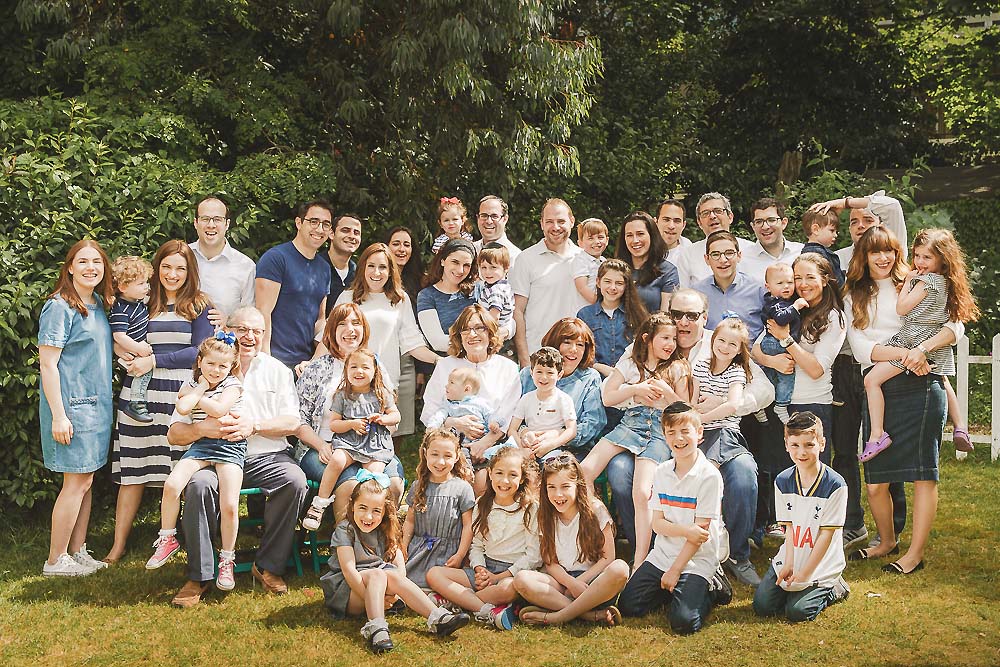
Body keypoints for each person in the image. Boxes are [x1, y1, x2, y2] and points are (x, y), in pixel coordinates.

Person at [604, 289, 773, 584]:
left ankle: (734, 554)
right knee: (620, 473)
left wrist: (722, 405)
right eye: (676, 315)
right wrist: (638, 395)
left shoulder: (719, 342)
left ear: (704, 318)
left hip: (712, 431)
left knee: (743, 473)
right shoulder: (648, 342)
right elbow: (616, 389)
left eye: (691, 316)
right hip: (653, 434)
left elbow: (765, 389)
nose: (682, 322)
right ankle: (648, 551)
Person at [169, 307, 306, 607]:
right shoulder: (205, 372)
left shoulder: (277, 371)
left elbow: (292, 422)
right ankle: (200, 575)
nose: (250, 337)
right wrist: (202, 428)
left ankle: (268, 565)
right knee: (199, 486)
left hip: (264, 457)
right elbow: (174, 433)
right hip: (212, 456)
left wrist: (254, 425)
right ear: (227, 331)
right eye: (243, 329)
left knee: (294, 480)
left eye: (257, 331)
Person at [843, 227, 960, 574]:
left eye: (889, 251)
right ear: (863, 257)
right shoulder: (853, 294)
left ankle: (914, 555)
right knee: (876, 481)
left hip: (923, 385)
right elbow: (863, 347)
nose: (883, 258)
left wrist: (923, 350)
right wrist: (909, 352)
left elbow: (956, 326)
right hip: (881, 385)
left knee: (924, 475)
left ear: (898, 253)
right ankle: (887, 540)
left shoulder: (916, 279)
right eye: (874, 252)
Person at [107, 240, 213, 564]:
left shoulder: (198, 304)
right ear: (157, 268)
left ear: (189, 271)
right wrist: (127, 358)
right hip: (140, 395)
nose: (173, 273)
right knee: (133, 473)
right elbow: (119, 338)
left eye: (180, 268)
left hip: (179, 397)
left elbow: (199, 351)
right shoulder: (141, 301)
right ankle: (117, 546)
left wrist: (154, 360)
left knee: (178, 472)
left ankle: (180, 539)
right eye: (167, 266)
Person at [580, 313, 691, 567]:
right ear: (647, 338)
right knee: (584, 471)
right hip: (630, 424)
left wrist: (667, 392)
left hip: (659, 430)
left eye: (674, 339)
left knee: (642, 492)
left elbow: (685, 410)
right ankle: (603, 522)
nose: (671, 344)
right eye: (665, 338)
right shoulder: (631, 363)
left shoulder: (678, 367)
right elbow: (608, 397)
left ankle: (640, 561)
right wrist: (636, 389)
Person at [859, 229, 979, 461]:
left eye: (927, 257)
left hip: (913, 339)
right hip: (935, 340)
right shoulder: (947, 282)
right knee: (943, 380)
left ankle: (877, 434)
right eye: (917, 256)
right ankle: (960, 426)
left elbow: (902, 308)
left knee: (871, 380)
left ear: (941, 260)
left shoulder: (925, 281)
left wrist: (908, 282)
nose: (920, 262)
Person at [319, 473, 471, 654]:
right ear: (352, 506)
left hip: (378, 584)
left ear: (384, 511)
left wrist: (395, 594)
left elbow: (399, 567)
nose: (368, 516)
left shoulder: (385, 528)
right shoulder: (345, 529)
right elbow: (349, 571)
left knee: (389, 574)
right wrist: (376, 599)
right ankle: (376, 627)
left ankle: (437, 618)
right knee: (377, 574)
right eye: (363, 508)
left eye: (376, 510)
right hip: (348, 591)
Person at [618, 403, 731, 635]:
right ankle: (677, 590)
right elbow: (657, 523)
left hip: (696, 559)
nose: (678, 438)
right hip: (662, 555)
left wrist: (675, 571)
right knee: (628, 606)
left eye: (685, 431)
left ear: (699, 434)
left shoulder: (709, 476)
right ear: (665, 436)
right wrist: (685, 531)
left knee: (684, 623)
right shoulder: (662, 471)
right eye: (671, 432)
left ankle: (711, 586)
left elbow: (699, 535)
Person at [146, 335, 245, 592]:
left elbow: (219, 410)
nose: (216, 370)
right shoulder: (192, 381)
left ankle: (226, 558)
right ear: (200, 362)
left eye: (223, 366)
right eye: (211, 364)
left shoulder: (233, 385)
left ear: (231, 367)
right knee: (171, 485)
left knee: (230, 504)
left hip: (229, 446)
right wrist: (198, 388)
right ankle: (167, 538)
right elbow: (181, 407)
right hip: (201, 445)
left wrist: (196, 394)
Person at [38, 239, 114, 576]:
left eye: (96, 262)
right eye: (82, 262)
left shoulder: (97, 303)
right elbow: (48, 365)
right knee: (75, 484)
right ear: (69, 267)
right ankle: (55, 560)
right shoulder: (59, 306)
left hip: (97, 407)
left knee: (87, 481)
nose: (90, 268)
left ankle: (77, 549)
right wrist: (58, 415)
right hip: (72, 408)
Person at [294, 304, 406, 520]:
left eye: (356, 323)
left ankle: (383, 544)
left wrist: (376, 439)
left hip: (372, 446)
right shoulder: (316, 369)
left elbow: (392, 416)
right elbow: (299, 421)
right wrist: (321, 445)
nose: (350, 329)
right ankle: (345, 548)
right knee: (352, 485)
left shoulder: (376, 367)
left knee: (392, 484)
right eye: (342, 324)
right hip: (324, 447)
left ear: (364, 329)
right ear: (331, 331)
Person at [426, 448, 540, 631]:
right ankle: (486, 609)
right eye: (499, 473)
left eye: (512, 475)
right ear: (490, 473)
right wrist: (480, 569)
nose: (504, 481)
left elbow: (534, 556)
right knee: (434, 574)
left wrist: (499, 577)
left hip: (511, 573)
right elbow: (477, 544)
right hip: (485, 570)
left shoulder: (530, 508)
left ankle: (458, 600)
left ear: (522, 478)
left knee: (510, 588)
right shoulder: (482, 503)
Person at [334, 242, 439, 439]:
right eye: (371, 265)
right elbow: (330, 339)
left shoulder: (400, 299)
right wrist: (311, 362)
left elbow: (412, 342)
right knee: (349, 442)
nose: (376, 272)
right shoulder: (347, 297)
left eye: (383, 267)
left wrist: (439, 361)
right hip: (350, 385)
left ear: (391, 271)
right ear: (363, 266)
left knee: (384, 443)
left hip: (385, 384)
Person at [753, 411, 850, 622]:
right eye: (795, 445)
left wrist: (805, 574)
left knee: (797, 611)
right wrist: (789, 563)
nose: (802, 452)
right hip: (794, 553)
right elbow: (788, 529)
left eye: (809, 445)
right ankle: (796, 585)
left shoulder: (835, 485)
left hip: (820, 561)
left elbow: (825, 536)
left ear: (822, 444)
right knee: (763, 606)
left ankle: (835, 586)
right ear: (786, 445)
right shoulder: (782, 480)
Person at [514, 454, 629, 626]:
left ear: (578, 485)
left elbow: (608, 558)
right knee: (521, 579)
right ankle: (588, 615)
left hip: (592, 583)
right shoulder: (545, 515)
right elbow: (550, 562)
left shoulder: (596, 510)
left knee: (620, 569)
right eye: (551, 487)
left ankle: (556, 616)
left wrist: (579, 583)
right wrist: (570, 583)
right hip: (561, 584)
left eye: (565, 486)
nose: (558, 494)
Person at [754, 253, 847, 464]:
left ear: (824, 279)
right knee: (778, 475)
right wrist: (772, 361)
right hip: (778, 404)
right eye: (797, 278)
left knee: (810, 474)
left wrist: (786, 340)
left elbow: (816, 369)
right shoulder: (788, 309)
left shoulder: (834, 317)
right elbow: (756, 349)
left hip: (811, 404)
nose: (803, 284)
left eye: (810, 277)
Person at [420, 304, 522, 492]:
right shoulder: (445, 366)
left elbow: (510, 413)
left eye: (479, 328)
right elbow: (430, 410)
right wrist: (455, 423)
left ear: (490, 333)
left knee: (482, 483)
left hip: (493, 444)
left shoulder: (506, 368)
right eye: (465, 330)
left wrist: (483, 444)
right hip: (450, 444)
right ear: (459, 336)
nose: (472, 335)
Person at [300, 348, 400, 531]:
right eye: (353, 367)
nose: (359, 371)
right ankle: (319, 504)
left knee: (373, 479)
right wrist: (352, 424)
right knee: (336, 460)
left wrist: (384, 419)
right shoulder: (342, 395)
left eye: (365, 367)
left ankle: (378, 520)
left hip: (374, 446)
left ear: (375, 371)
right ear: (346, 370)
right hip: (349, 442)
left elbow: (396, 415)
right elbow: (334, 425)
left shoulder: (381, 393)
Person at [255, 200, 333, 368]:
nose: (319, 229)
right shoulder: (276, 258)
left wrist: (317, 359)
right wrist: (265, 360)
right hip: (275, 360)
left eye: (326, 224)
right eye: (313, 222)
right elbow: (262, 312)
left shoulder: (324, 268)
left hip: (305, 364)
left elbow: (320, 319)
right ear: (299, 223)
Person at [510, 198, 586, 364]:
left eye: (561, 221)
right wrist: (524, 358)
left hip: (577, 358)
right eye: (550, 221)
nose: (556, 227)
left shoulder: (585, 259)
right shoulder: (526, 259)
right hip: (538, 357)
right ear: (542, 224)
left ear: (572, 221)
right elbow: (517, 311)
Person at [520, 318, 608, 458]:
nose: (573, 350)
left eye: (580, 344)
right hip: (527, 446)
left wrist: (558, 436)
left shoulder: (590, 378)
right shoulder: (527, 374)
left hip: (571, 450)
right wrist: (524, 433)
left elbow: (594, 423)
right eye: (567, 342)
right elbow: (514, 415)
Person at [402, 429, 476, 589]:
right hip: (420, 549)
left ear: (457, 457)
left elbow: (468, 526)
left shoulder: (462, 488)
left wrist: (460, 555)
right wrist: (403, 545)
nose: (440, 462)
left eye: (447, 456)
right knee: (404, 580)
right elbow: (409, 521)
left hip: (448, 553)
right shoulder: (418, 486)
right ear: (425, 453)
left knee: (440, 579)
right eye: (435, 454)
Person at [691, 317, 752, 462]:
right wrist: (695, 423)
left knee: (711, 465)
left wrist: (703, 418)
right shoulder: (700, 366)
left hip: (724, 429)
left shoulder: (736, 372)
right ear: (713, 340)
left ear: (739, 350)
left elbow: (732, 405)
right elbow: (692, 401)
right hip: (700, 429)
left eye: (732, 344)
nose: (725, 347)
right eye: (721, 340)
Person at [500, 347, 577, 460]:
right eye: (539, 371)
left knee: (552, 464)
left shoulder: (563, 399)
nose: (543, 377)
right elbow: (512, 429)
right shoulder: (526, 399)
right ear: (532, 373)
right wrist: (521, 448)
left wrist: (552, 445)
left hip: (552, 448)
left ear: (559, 375)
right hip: (526, 446)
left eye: (550, 372)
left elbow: (572, 430)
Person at [577, 259, 649, 378]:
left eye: (619, 283)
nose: (613, 287)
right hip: (594, 378)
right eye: (607, 281)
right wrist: (599, 367)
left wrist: (620, 374)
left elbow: (642, 351)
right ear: (598, 282)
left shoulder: (638, 315)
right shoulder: (585, 315)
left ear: (626, 286)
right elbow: (581, 351)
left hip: (628, 378)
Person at [189, 195, 256, 319]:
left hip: (225, 337)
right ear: (195, 223)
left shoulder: (245, 266)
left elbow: (248, 317)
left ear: (227, 224)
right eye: (205, 219)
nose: (211, 225)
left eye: (217, 219)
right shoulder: (181, 257)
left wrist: (227, 323)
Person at [758, 263, 809, 423]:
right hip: (776, 343)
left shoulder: (781, 300)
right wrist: (796, 306)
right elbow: (781, 319)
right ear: (768, 287)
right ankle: (781, 404)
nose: (786, 286)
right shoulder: (776, 303)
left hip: (772, 344)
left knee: (771, 376)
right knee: (787, 375)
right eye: (780, 283)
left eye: (789, 282)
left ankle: (759, 403)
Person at [694, 230, 766, 343]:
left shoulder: (759, 289)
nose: (723, 260)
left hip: (751, 358)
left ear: (739, 256)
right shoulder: (696, 293)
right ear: (707, 259)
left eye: (729, 253)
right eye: (715, 254)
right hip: (708, 357)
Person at [673, 192, 755, 287]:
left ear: (730, 217)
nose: (712, 216)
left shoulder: (750, 250)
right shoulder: (688, 255)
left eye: (718, 211)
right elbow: (684, 294)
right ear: (699, 222)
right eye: (705, 213)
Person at [809, 191, 908, 268]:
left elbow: (892, 206)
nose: (860, 225)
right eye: (854, 222)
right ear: (849, 229)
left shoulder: (893, 250)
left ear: (881, 226)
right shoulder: (837, 259)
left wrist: (845, 203)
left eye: (868, 220)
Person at [109, 255, 154, 423]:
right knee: (143, 372)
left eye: (146, 282)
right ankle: (136, 403)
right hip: (130, 353)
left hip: (136, 350)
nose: (146, 287)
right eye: (141, 284)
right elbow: (119, 335)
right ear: (123, 287)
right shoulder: (121, 309)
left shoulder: (137, 302)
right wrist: (138, 349)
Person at [417, 239, 478, 352]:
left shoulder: (477, 292)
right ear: (442, 261)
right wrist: (477, 342)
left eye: (466, 265)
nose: (460, 270)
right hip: (449, 365)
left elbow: (504, 319)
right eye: (455, 262)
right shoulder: (427, 296)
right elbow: (437, 342)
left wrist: (508, 330)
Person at [614, 211, 679, 313]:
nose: (635, 240)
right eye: (629, 235)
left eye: (640, 234)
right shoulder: (616, 269)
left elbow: (666, 317)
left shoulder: (667, 271)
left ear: (652, 236)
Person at [425, 367, 500, 446]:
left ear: (467, 389)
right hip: (459, 444)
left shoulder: (480, 403)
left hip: (481, 441)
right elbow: (438, 416)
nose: (446, 386)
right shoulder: (448, 405)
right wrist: (432, 427)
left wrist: (494, 423)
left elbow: (491, 414)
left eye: (451, 382)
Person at [738, 197, 803, 282]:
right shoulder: (742, 261)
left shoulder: (802, 253)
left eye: (771, 220)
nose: (765, 227)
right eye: (759, 222)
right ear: (753, 226)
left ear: (784, 223)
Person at [473, 242, 515, 339]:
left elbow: (494, 317)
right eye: (484, 267)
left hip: (491, 334)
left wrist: (484, 334)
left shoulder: (496, 291)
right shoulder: (503, 285)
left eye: (493, 267)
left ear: (506, 268)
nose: (487, 272)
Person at [325, 213, 362, 313]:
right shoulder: (314, 266)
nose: (352, 236)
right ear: (331, 234)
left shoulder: (360, 274)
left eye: (356, 233)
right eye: (345, 230)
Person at [800, 209, 844, 287]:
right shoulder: (818, 255)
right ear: (815, 229)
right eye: (832, 230)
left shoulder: (805, 253)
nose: (835, 235)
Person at [473, 194, 521, 263]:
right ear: (477, 218)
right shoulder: (470, 251)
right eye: (484, 216)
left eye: (494, 216)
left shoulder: (515, 257)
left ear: (505, 219)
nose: (489, 221)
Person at [572, 217, 609, 305]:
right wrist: (600, 304)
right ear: (580, 243)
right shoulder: (580, 260)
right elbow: (582, 288)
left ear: (607, 240)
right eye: (590, 238)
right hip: (586, 310)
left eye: (600, 237)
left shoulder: (604, 261)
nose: (596, 241)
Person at [655, 198, 692, 265]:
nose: (671, 226)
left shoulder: (690, 252)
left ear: (683, 225)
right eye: (666, 220)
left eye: (677, 221)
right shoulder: (643, 249)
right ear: (656, 222)